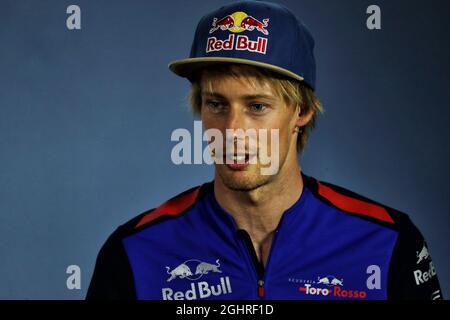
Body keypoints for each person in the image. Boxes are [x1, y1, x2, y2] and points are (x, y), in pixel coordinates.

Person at [87, 0, 442, 300]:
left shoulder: (387, 241)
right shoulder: (134, 251)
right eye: (216, 104)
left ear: (301, 112)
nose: (233, 131)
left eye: (257, 106)